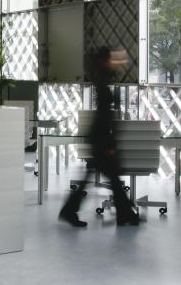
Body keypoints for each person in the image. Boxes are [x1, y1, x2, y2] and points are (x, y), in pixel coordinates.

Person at [58, 47, 140, 227]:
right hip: (101, 139)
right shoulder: (102, 82)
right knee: (112, 178)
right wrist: (109, 144)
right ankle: (123, 213)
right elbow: (104, 116)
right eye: (110, 59)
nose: (113, 62)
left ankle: (122, 213)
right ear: (104, 61)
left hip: (99, 138)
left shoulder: (101, 78)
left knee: (107, 178)